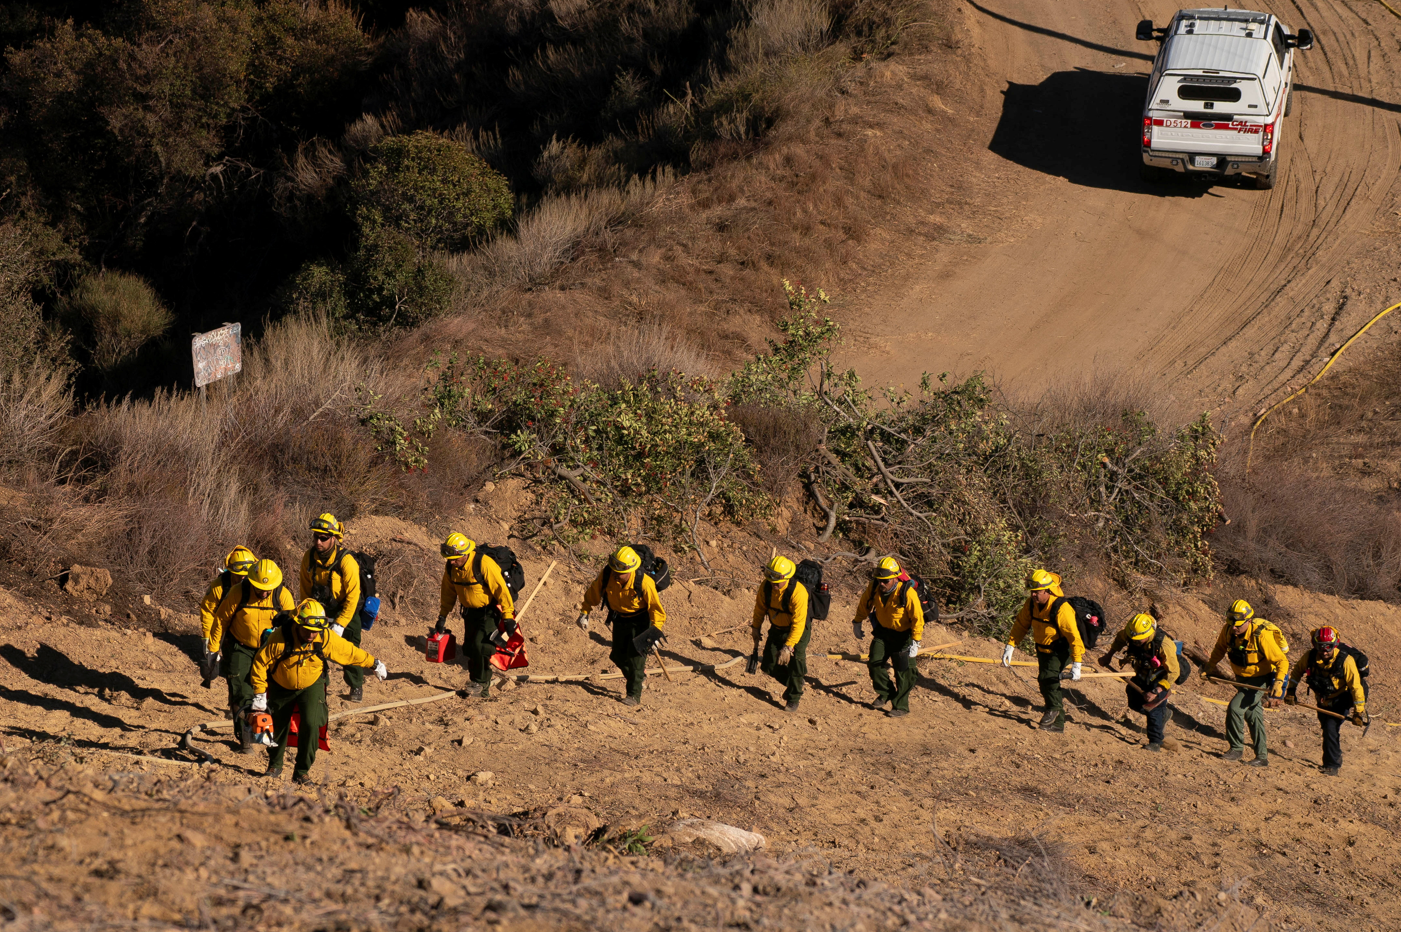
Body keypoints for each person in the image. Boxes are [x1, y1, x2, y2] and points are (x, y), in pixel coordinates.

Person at [249, 599, 386, 784]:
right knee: (279, 726)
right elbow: (259, 663)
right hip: (281, 684)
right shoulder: (280, 638)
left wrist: (374, 663)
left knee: (312, 724)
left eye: (316, 630)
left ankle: (302, 771)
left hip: (311, 683)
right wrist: (259, 695)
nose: (312, 634)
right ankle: (274, 765)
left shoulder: (324, 637)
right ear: (298, 624)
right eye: (308, 630)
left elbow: (349, 652)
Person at [208, 558, 296, 751]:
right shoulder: (238, 593)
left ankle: (272, 733)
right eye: (259, 588)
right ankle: (246, 736)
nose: (264, 593)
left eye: (268, 589)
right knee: (242, 692)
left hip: (271, 650)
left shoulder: (283, 596)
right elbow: (220, 621)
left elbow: (294, 629)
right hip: (241, 648)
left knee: (271, 692)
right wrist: (213, 650)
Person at [1202, 599, 1288, 767]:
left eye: (1239, 625)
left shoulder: (1261, 635)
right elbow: (1220, 648)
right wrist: (1209, 666)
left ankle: (1236, 748)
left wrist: (1278, 683)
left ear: (1248, 621)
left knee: (1235, 707)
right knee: (1252, 714)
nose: (1234, 628)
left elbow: (1282, 661)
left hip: (1259, 680)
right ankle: (1262, 756)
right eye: (1232, 624)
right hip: (1241, 678)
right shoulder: (1228, 630)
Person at [577, 546, 666, 706]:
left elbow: (656, 609)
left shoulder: (644, 582)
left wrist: (654, 634)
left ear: (630, 570)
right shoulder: (607, 575)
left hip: (641, 621)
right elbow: (593, 593)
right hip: (619, 619)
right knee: (617, 655)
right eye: (614, 571)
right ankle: (638, 677)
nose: (616, 576)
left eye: (620, 573)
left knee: (636, 658)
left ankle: (633, 694)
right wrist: (585, 611)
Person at [434, 532, 517, 699]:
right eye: (449, 558)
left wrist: (508, 616)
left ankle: (482, 686)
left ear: (465, 554)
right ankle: (475, 682)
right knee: (471, 647)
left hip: (488, 612)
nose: (451, 561)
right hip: (469, 612)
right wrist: (442, 616)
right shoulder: (452, 567)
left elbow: (502, 591)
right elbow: (448, 592)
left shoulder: (483, 563)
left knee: (482, 647)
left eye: (455, 558)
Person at [1002, 569, 1084, 733]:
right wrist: (1010, 645)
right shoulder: (1031, 604)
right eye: (1032, 592)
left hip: (1059, 651)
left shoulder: (1062, 608)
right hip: (1042, 650)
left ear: (1047, 590)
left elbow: (1074, 637)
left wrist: (1077, 663)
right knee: (1045, 681)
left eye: (1037, 592)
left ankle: (1053, 709)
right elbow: (1021, 624)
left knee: (1048, 678)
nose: (1033, 595)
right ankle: (1057, 724)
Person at [299, 513, 366, 701]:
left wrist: (341, 623)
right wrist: (305, 614)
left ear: (334, 538)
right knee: (315, 646)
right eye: (315, 537)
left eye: (323, 538)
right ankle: (321, 684)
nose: (318, 542)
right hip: (318, 609)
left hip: (346, 609)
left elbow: (353, 596)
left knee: (350, 647)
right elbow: (304, 590)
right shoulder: (309, 558)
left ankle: (356, 685)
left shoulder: (346, 561)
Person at [1286, 626, 1368, 776]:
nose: (1324, 651)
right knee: (1327, 728)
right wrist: (1291, 690)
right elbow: (1297, 671)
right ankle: (1333, 757)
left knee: (1330, 728)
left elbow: (1356, 687)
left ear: (1335, 645)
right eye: (1320, 647)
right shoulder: (1310, 657)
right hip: (1322, 700)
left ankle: (1332, 765)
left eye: (1328, 647)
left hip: (1340, 699)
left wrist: (1359, 712)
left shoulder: (1345, 661)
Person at [851, 557, 924, 717]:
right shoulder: (874, 588)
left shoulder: (906, 593)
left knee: (904, 672)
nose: (882, 584)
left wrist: (916, 641)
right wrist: (857, 622)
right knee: (874, 663)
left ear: (895, 578)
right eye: (880, 580)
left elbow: (918, 618)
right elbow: (865, 605)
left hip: (904, 637)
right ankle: (886, 692)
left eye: (886, 581)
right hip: (883, 633)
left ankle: (901, 706)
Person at [1099, 612, 1180, 751]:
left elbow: (1174, 672)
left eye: (1139, 640)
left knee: (1153, 708)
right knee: (1133, 700)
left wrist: (1157, 691)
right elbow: (1119, 639)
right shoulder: (1131, 633)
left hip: (1160, 679)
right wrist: (1108, 655)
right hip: (1143, 673)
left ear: (1148, 634)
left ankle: (1156, 742)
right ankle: (1164, 715)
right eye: (1133, 639)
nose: (1135, 642)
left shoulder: (1164, 645)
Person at [751, 555, 811, 712]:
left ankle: (794, 697)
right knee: (768, 665)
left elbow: (799, 624)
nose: (774, 584)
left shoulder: (799, 592)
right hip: (777, 628)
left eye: (777, 582)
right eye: (771, 580)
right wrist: (756, 628)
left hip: (797, 631)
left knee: (796, 664)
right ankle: (793, 684)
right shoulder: (766, 587)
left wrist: (789, 647)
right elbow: (759, 608)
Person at [197, 546, 256, 677]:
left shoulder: (256, 587)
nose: (242, 579)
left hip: (245, 624)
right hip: (223, 622)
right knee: (212, 671)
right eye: (239, 576)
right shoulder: (219, 586)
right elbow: (207, 610)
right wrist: (207, 637)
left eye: (246, 576)